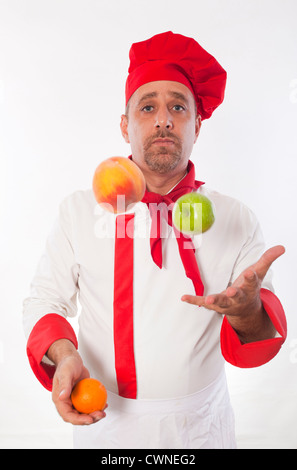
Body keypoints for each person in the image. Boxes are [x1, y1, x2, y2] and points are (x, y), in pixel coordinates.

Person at [23, 31, 287, 449]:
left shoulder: (235, 218)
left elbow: (258, 337)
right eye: (148, 107)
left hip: (202, 428)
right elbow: (43, 301)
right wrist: (65, 355)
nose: (163, 118)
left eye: (177, 107)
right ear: (126, 125)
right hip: (103, 426)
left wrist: (246, 310)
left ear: (197, 125)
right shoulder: (78, 211)